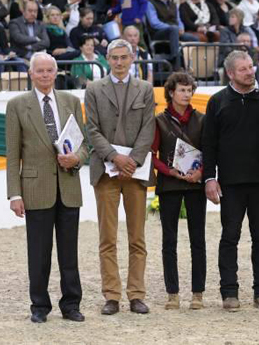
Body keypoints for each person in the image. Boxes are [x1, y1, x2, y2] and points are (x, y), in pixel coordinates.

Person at [202, 50, 259, 311]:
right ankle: (229, 292)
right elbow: (209, 144)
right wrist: (210, 178)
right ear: (230, 73)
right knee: (230, 237)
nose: (250, 72)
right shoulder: (217, 102)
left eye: (251, 67)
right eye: (243, 69)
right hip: (230, 183)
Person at [6, 52, 88, 323]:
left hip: (68, 187)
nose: (44, 75)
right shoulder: (17, 105)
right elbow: (12, 152)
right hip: (34, 189)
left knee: (69, 253)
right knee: (38, 253)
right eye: (39, 71)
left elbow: (84, 144)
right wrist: (15, 194)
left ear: (56, 73)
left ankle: (71, 304)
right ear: (31, 74)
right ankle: (39, 306)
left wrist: (77, 158)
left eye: (49, 71)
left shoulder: (72, 102)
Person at [85, 38, 155, 316]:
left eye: (124, 57)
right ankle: (111, 295)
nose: (119, 62)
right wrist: (115, 157)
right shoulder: (93, 89)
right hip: (106, 171)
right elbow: (91, 129)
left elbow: (148, 128)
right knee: (107, 237)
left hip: (135, 172)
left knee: (137, 237)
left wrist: (133, 161)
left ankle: (137, 294)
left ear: (132, 58)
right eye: (114, 57)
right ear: (107, 59)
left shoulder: (146, 89)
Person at [151, 72, 207, 310]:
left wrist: (201, 172)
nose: (187, 94)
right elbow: (151, 155)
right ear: (171, 93)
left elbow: (210, 151)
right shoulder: (159, 121)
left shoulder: (202, 120)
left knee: (198, 240)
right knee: (169, 240)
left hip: (195, 185)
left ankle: (198, 293)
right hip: (170, 185)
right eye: (182, 90)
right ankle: (172, 293)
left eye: (189, 90)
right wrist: (169, 171)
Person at [146, 0, 199, 69]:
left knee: (194, 38)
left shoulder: (173, 4)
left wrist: (181, 27)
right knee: (174, 29)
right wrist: (173, 27)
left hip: (174, 32)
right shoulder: (151, 3)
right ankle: (176, 60)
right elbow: (154, 23)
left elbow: (178, 19)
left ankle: (191, 65)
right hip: (158, 33)